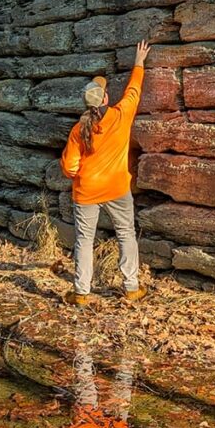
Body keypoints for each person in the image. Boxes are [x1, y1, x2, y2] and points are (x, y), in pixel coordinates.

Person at [60, 40, 150, 305]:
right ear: (106, 99)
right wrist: (138, 61)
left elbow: (69, 167)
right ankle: (131, 287)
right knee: (126, 234)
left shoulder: (79, 129)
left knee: (84, 240)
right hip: (116, 187)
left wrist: (79, 174)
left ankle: (81, 293)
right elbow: (134, 89)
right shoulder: (121, 115)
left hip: (86, 191)